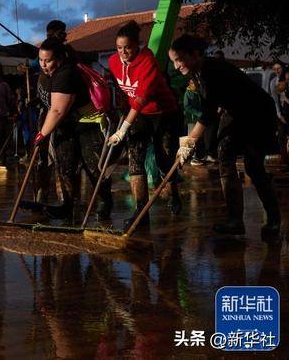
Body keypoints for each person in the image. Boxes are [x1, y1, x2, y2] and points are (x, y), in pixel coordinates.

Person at [169, 35, 282, 239]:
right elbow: (212, 106)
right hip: (236, 114)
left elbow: (209, 111)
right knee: (225, 159)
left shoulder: (212, 70)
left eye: (179, 59)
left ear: (194, 54)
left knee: (253, 167)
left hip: (258, 113)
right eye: (173, 62)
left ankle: (274, 220)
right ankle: (235, 220)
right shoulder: (197, 73)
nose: (176, 66)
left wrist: (190, 143)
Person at [107, 21, 182, 230]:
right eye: (119, 48)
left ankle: (173, 193)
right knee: (135, 159)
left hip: (163, 114)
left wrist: (122, 130)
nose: (123, 52)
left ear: (137, 45)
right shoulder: (114, 61)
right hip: (137, 116)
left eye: (128, 47)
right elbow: (123, 90)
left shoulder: (148, 62)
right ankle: (141, 211)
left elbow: (140, 99)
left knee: (163, 159)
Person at [33, 39, 96, 221]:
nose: (44, 65)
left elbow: (57, 109)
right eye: (41, 60)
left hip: (85, 124)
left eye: (48, 60)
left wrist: (42, 134)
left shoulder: (65, 74)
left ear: (59, 59)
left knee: (91, 167)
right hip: (63, 125)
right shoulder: (46, 73)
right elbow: (49, 101)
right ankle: (68, 205)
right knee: (65, 166)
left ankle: (104, 202)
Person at [269, 61, 288, 169]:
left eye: (278, 68)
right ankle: (284, 161)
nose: (276, 71)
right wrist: (279, 114)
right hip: (281, 112)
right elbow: (275, 100)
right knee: (281, 137)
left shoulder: (286, 79)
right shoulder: (273, 82)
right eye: (274, 69)